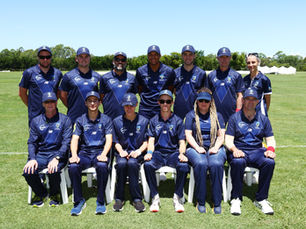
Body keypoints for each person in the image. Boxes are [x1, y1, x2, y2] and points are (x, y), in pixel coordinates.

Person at [225, 88, 276, 215]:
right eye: (247, 99)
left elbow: (270, 139)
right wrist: (234, 150)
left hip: (257, 151)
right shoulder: (234, 118)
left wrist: (270, 150)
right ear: (243, 100)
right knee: (237, 162)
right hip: (239, 149)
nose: (250, 102)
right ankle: (236, 198)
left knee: (269, 162)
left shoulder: (263, 119)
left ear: (257, 101)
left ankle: (261, 199)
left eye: (253, 100)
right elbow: (228, 140)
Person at [23, 92, 72, 207]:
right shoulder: (36, 121)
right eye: (47, 102)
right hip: (41, 154)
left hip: (57, 153)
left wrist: (57, 157)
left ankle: (55, 194)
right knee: (28, 171)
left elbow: (66, 142)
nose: (50, 104)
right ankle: (41, 193)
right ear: (43, 104)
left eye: (52, 101)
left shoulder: (65, 120)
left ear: (56, 102)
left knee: (53, 170)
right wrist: (32, 158)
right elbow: (32, 142)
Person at [144, 90, 189, 213]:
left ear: (172, 103)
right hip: (158, 153)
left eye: (168, 101)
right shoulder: (153, 121)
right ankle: (155, 197)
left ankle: (177, 196)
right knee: (147, 165)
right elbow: (151, 141)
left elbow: (181, 142)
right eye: (162, 101)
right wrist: (149, 153)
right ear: (158, 103)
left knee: (184, 166)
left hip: (173, 154)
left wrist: (182, 154)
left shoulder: (178, 121)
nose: (165, 104)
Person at [68, 91, 112, 216]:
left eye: (95, 101)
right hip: (85, 153)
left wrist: (104, 154)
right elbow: (75, 139)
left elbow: (109, 139)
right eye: (90, 101)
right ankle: (78, 201)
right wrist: (74, 155)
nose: (93, 103)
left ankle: (101, 201)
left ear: (99, 102)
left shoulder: (106, 119)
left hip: (99, 152)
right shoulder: (80, 120)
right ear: (86, 103)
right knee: (73, 166)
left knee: (103, 166)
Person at [184, 88, 226, 214]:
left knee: (216, 164)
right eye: (201, 101)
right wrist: (197, 148)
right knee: (201, 164)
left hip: (214, 146)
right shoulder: (191, 115)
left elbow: (221, 135)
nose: (203, 103)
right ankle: (200, 201)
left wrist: (216, 147)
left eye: (206, 101)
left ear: (210, 103)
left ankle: (216, 201)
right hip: (195, 147)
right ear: (197, 102)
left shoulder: (218, 116)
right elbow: (188, 135)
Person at [112, 93, 149, 212]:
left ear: (136, 105)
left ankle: (137, 198)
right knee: (122, 164)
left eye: (131, 106)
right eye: (126, 106)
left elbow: (147, 141)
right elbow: (115, 141)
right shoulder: (117, 121)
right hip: (122, 152)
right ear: (122, 106)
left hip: (137, 153)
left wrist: (138, 151)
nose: (129, 108)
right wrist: (121, 151)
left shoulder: (144, 121)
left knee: (133, 164)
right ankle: (119, 198)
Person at [19, 46, 63, 125]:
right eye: (42, 57)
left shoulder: (58, 73)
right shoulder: (29, 73)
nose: (45, 59)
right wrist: (32, 106)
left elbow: (59, 93)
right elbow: (22, 93)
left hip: (53, 114)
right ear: (38, 58)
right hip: (35, 115)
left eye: (47, 57)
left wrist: (51, 104)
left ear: (51, 57)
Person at [59, 47, 101, 124]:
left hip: (92, 117)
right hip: (73, 117)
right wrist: (72, 106)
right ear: (76, 59)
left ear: (89, 58)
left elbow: (101, 96)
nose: (83, 59)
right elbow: (62, 95)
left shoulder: (97, 76)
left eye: (86, 57)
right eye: (81, 57)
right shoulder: (68, 76)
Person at [136, 45, 176, 120]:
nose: (153, 57)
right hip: (145, 108)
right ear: (147, 56)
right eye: (150, 55)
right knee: (142, 130)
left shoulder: (169, 71)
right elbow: (139, 89)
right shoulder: (140, 71)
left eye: (155, 55)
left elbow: (170, 89)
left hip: (161, 107)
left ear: (160, 56)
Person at [207, 47, 244, 124]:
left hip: (232, 113)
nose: (224, 59)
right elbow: (207, 94)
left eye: (226, 57)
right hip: (214, 112)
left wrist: (238, 111)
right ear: (217, 58)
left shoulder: (236, 75)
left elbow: (240, 95)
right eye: (221, 57)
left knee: (231, 136)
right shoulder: (211, 75)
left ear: (230, 58)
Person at [99, 52, 138, 119]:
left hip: (127, 118)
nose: (120, 62)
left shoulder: (132, 78)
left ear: (126, 62)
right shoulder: (105, 78)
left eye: (123, 60)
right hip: (109, 117)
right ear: (113, 61)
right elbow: (101, 97)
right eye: (117, 59)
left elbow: (133, 97)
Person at [174, 45, 206, 119]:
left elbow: (203, 92)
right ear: (182, 56)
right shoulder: (175, 73)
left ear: (194, 56)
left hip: (195, 110)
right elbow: (174, 90)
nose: (187, 57)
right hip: (178, 110)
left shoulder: (201, 73)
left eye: (190, 54)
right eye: (185, 54)